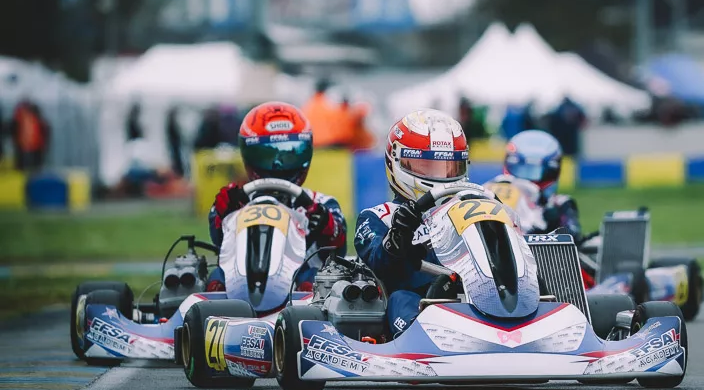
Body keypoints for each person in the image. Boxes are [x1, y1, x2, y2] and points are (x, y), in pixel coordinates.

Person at [206, 101, 348, 292]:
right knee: (216, 278)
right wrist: (225, 215)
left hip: (301, 291)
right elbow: (218, 239)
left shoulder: (322, 204)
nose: (278, 164)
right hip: (242, 281)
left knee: (313, 280)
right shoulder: (236, 200)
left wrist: (325, 224)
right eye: (268, 154)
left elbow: (339, 249)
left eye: (288, 153)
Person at [353, 109, 470, 338]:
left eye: (448, 168)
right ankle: (420, 342)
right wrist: (400, 233)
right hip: (419, 302)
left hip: (475, 294)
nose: (441, 177)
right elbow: (379, 262)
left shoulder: (469, 208)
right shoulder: (378, 216)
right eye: (428, 166)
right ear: (396, 162)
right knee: (401, 297)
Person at [484, 129, 582, 242]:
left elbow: (573, 238)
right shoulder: (484, 190)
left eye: (535, 171)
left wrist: (551, 220)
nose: (529, 177)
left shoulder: (558, 204)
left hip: (528, 245)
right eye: (522, 169)